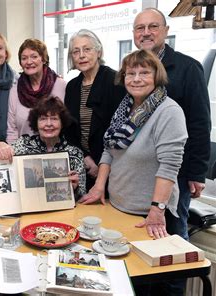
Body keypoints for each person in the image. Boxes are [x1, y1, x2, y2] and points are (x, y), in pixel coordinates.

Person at [79, 49, 187, 242]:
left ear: (157, 76)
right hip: (116, 206)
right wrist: (98, 187)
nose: (136, 79)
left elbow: (169, 167)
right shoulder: (125, 108)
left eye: (144, 73)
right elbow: (109, 150)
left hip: (149, 216)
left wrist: (157, 210)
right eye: (131, 73)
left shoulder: (169, 112)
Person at [132, 7, 211, 241]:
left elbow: (199, 123)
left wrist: (197, 172)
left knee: (173, 235)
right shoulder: (131, 70)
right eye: (140, 28)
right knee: (144, 233)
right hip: (142, 171)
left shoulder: (188, 68)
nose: (146, 33)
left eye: (153, 27)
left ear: (166, 31)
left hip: (177, 171)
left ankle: (176, 278)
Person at [63, 29, 126, 190]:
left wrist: (102, 164)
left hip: (114, 165)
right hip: (83, 164)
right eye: (76, 51)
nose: (81, 55)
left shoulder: (116, 81)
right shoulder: (72, 87)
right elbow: (69, 130)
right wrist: (85, 158)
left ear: (99, 52)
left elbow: (121, 129)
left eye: (87, 49)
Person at [0, 97, 86, 198]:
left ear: (62, 123)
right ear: (36, 123)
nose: (48, 124)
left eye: (54, 119)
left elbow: (82, 193)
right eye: (43, 119)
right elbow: (0, 156)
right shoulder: (24, 144)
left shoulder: (75, 153)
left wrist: (75, 188)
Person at [6, 38, 67, 144]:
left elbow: (68, 124)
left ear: (43, 59)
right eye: (24, 58)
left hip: (57, 152)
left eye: (34, 56)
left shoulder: (61, 86)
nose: (29, 62)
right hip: (25, 153)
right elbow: (12, 131)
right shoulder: (15, 91)